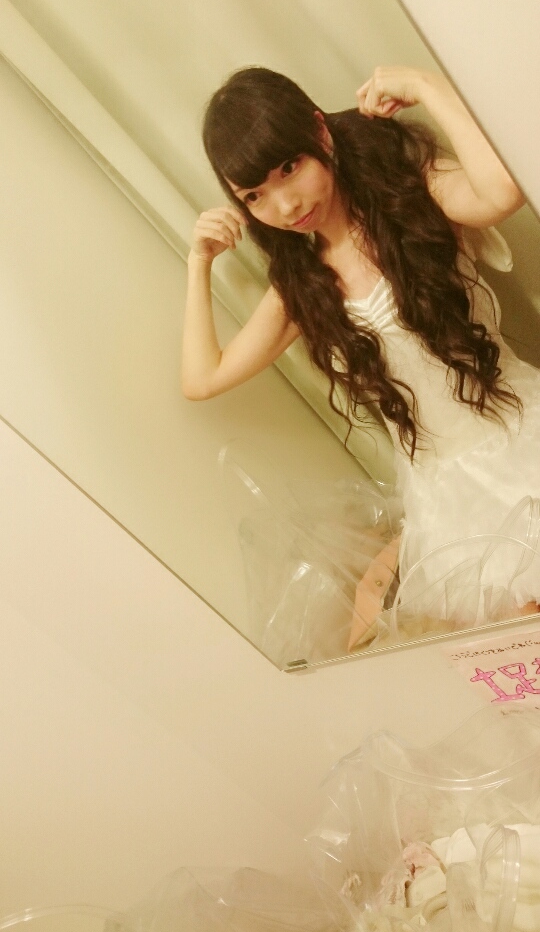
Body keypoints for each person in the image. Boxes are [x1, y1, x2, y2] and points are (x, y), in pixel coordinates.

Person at [182, 65, 540, 624]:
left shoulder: (408, 192)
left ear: (320, 133)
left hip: (519, 438)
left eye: (289, 168)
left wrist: (427, 87)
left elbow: (502, 191)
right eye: (255, 195)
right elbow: (202, 378)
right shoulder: (302, 285)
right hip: (447, 497)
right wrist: (198, 263)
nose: (285, 205)